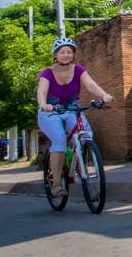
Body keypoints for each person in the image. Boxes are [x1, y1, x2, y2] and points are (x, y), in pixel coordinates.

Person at [37, 37, 112, 199]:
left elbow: (91, 85)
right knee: (59, 140)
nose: (66, 55)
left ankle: (79, 167)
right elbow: (42, 91)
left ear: (73, 54)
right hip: (50, 112)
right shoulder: (47, 73)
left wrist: (103, 95)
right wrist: (44, 104)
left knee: (86, 135)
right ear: (55, 55)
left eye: (69, 52)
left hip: (71, 109)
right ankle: (56, 184)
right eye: (62, 52)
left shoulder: (78, 70)